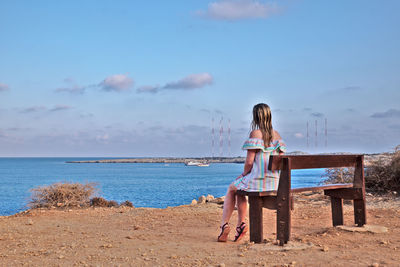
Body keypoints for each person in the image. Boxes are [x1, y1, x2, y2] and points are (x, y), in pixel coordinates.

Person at [217, 103, 286, 242]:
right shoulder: (277, 135)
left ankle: (225, 224)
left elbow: (249, 162)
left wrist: (243, 174)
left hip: (258, 181)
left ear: (256, 117)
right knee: (240, 189)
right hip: (275, 182)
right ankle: (240, 225)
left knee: (232, 188)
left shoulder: (256, 133)